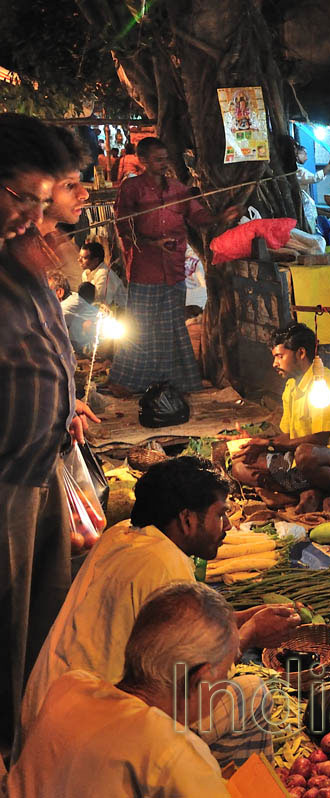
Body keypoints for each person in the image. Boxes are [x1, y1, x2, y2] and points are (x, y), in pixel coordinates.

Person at [20, 457, 296, 766]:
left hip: (45, 721)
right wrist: (249, 635)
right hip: (95, 746)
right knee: (252, 693)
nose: (228, 526)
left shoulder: (121, 534)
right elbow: (192, 682)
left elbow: (158, 626)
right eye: (220, 515)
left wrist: (239, 619)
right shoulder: (166, 565)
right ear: (188, 519)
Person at [0, 112, 100, 758]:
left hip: (42, 470)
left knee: (42, 627)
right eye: (23, 200)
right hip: (6, 481)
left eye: (40, 204)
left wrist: (66, 403)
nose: (30, 219)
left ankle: (32, 745)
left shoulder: (24, 257)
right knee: (4, 631)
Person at [10, 582, 247, 796]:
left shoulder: (70, 685)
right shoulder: (174, 754)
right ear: (201, 679)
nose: (225, 685)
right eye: (226, 673)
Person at [109, 136, 239, 396]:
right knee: (142, 326)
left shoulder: (177, 189)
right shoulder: (132, 189)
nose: (164, 163)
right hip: (145, 270)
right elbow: (124, 226)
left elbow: (198, 215)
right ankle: (131, 382)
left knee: (171, 327)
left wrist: (220, 217)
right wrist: (152, 242)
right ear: (143, 161)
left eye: (165, 158)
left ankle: (175, 383)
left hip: (174, 268)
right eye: (157, 159)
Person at [230, 323, 330, 509]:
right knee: (239, 465)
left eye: (280, 356)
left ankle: (328, 493)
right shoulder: (290, 388)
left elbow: (320, 440)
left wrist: (269, 444)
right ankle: (306, 493)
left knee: (306, 454)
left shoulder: (327, 384)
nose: (275, 363)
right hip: (304, 462)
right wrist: (256, 442)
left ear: (301, 353)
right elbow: (288, 436)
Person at [9, 126, 91, 290]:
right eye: (69, 185)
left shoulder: (52, 243)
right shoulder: (14, 259)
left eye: (79, 181)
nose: (84, 194)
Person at [294, 140, 330, 235]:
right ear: (296, 154)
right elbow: (315, 178)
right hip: (304, 208)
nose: (306, 158)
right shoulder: (298, 171)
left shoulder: (297, 170)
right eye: (304, 154)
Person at [80, 240, 127, 308]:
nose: (79, 260)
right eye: (80, 257)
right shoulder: (85, 274)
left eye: (84, 258)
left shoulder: (104, 274)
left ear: (96, 260)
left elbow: (101, 303)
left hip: (118, 312)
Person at [60, 280, 101, 355]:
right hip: (61, 330)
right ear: (91, 296)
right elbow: (99, 317)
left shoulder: (74, 297)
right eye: (95, 295)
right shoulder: (85, 305)